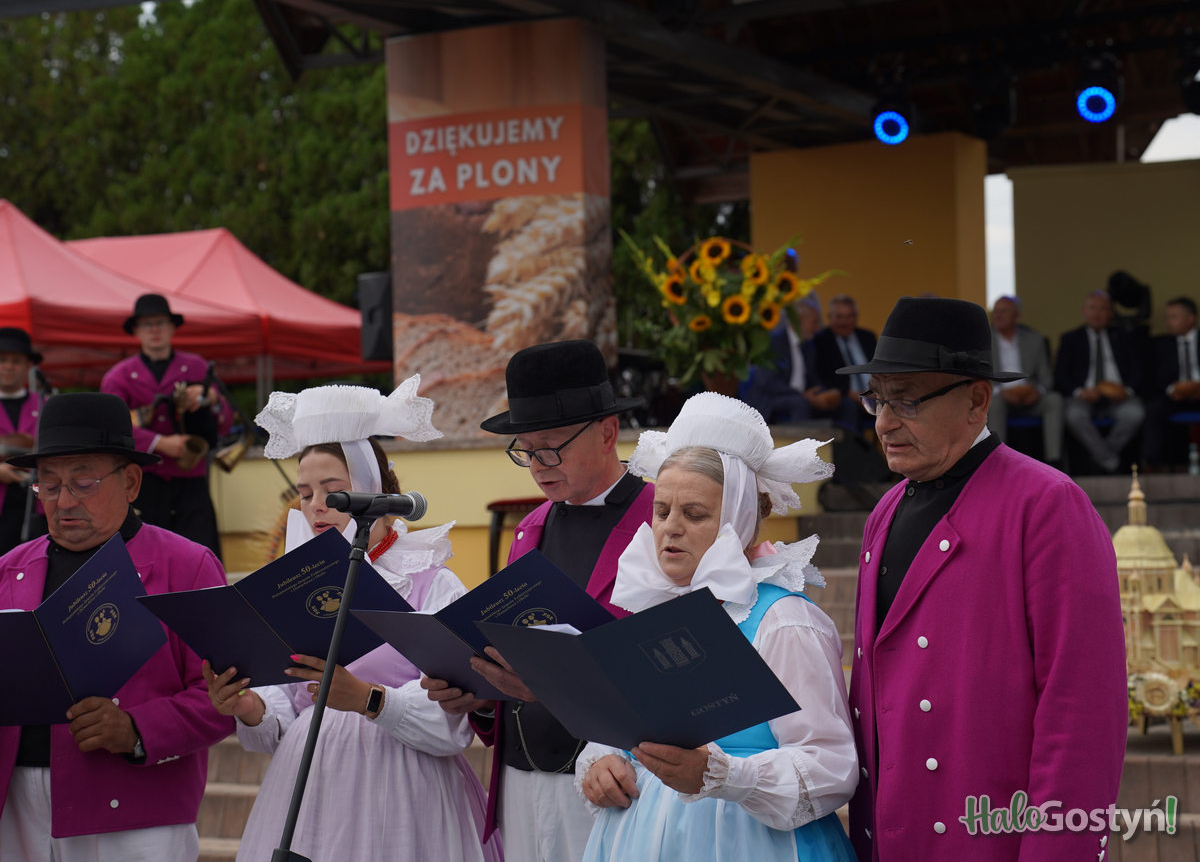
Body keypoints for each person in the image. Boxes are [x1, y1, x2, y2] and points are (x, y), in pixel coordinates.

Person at [839, 297, 1127, 861]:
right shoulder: (883, 513)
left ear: (977, 400)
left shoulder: (1046, 505)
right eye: (877, 398)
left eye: (907, 400)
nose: (884, 423)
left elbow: (1083, 714)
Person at [202, 379, 502, 862]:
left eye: (333, 491)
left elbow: (454, 721)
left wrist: (367, 699)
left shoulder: (429, 582)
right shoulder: (294, 589)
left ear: (372, 491)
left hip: (407, 789)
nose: (316, 505)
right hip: (311, 788)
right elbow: (286, 708)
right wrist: (248, 705)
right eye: (304, 493)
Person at [575, 392, 857, 862]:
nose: (671, 527)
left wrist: (727, 777)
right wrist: (601, 760)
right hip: (639, 836)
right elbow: (618, 726)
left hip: (750, 842)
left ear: (738, 521)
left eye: (695, 514)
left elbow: (830, 766)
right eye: (661, 510)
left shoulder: (783, 621)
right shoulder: (654, 612)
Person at [423, 339, 652, 862]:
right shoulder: (530, 528)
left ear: (608, 432)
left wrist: (551, 688)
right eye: (525, 450)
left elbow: (669, 662)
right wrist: (482, 694)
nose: (537, 465)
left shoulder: (661, 519)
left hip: (615, 778)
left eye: (550, 447)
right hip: (519, 780)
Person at [0, 392, 234, 860]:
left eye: (83, 482)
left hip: (136, 807)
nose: (64, 501)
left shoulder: (187, 566)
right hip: (15, 804)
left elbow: (228, 694)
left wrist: (135, 729)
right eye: (48, 485)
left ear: (130, 482)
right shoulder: (9, 568)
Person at [101, 293, 231, 558]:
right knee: (145, 557)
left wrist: (211, 398)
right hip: (143, 482)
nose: (155, 330)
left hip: (191, 481)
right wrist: (159, 443)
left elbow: (226, 421)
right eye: (147, 324)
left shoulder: (196, 366)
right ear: (136, 331)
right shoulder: (118, 376)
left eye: (160, 323)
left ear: (172, 327)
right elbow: (111, 426)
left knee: (199, 553)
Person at [1053, 289, 1145, 473]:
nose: (1097, 313)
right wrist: (1080, 392)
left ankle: (1102, 457)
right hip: (1084, 397)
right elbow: (1060, 376)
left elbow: (1138, 371)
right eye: (1092, 308)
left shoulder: (1125, 337)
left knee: (1135, 414)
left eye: (1103, 309)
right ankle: (1109, 459)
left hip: (1119, 398)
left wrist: (1125, 391)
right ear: (1084, 311)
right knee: (1073, 415)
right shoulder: (1071, 339)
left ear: (1111, 313)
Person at [744, 294, 860, 430]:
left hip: (803, 397)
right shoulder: (773, 342)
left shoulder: (808, 346)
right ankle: (799, 444)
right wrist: (802, 395)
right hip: (772, 399)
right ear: (798, 322)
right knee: (801, 403)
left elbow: (813, 378)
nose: (818, 328)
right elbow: (768, 382)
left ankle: (847, 444)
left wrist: (825, 394)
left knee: (846, 405)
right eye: (814, 322)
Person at [986, 296, 1063, 466]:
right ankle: (998, 462)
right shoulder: (984, 341)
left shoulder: (1034, 340)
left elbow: (1046, 378)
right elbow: (981, 377)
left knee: (1054, 400)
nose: (998, 315)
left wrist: (1038, 391)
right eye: (995, 311)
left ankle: (1054, 461)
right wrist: (1001, 392)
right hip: (1000, 395)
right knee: (994, 403)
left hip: (1030, 396)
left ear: (1017, 316)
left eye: (1003, 311)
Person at [0, 326, 48, 553]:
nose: (8, 366)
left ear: (29, 365)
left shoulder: (45, 405)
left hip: (37, 504)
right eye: (2, 360)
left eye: (16, 361)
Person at [1144, 296, 1200, 470]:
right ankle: (1154, 464)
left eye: (1174, 317)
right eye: (1167, 317)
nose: (1168, 322)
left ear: (1191, 318)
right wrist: (1173, 389)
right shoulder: (1160, 344)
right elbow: (1154, 377)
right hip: (1174, 396)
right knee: (1153, 408)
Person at [812, 294, 877, 431]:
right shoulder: (820, 341)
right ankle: (852, 445)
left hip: (875, 394)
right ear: (829, 317)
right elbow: (822, 377)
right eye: (839, 317)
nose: (844, 322)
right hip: (844, 396)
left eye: (849, 317)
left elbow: (879, 368)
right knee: (848, 407)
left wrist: (878, 393)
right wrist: (854, 395)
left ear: (856, 317)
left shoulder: (868, 337)